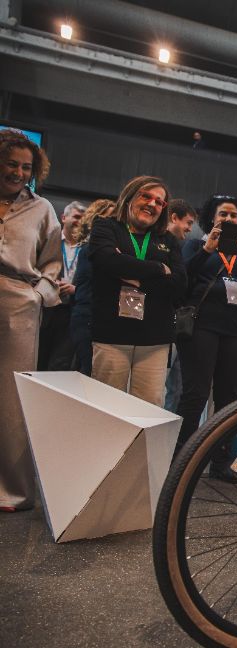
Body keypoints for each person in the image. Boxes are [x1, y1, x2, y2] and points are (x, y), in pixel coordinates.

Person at [175, 194, 237, 483]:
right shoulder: (196, 245)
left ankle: (220, 462)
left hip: (236, 330)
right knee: (196, 395)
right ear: (211, 218)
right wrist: (207, 250)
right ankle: (180, 461)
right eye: (223, 214)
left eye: (234, 216)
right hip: (202, 328)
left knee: (229, 398)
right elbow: (183, 278)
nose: (228, 220)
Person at [0, 129, 59, 512]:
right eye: (11, 164)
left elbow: (53, 261)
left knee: (11, 400)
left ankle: (12, 492)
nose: (19, 172)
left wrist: (38, 294)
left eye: (26, 167)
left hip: (17, 300)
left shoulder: (42, 208)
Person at [88, 176, 186, 405]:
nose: (153, 204)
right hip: (112, 335)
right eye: (146, 196)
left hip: (154, 339)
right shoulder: (106, 226)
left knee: (148, 409)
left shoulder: (168, 240)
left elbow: (179, 285)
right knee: (106, 407)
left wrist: (135, 278)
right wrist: (158, 269)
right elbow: (105, 260)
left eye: (159, 202)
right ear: (130, 197)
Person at [68, 199, 116, 375]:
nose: (114, 223)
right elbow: (88, 284)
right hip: (87, 317)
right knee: (88, 372)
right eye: (109, 217)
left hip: (104, 318)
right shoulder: (90, 249)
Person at [38, 201, 86, 371]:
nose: (80, 222)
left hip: (71, 310)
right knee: (39, 356)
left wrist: (75, 289)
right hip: (46, 307)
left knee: (61, 362)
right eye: (76, 217)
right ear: (64, 218)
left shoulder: (87, 247)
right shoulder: (50, 240)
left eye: (83, 219)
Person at [162, 198, 196, 412]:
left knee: (175, 388)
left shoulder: (178, 247)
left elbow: (180, 281)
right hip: (157, 327)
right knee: (160, 386)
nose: (190, 229)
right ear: (174, 217)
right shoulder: (156, 242)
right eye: (188, 223)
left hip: (177, 327)